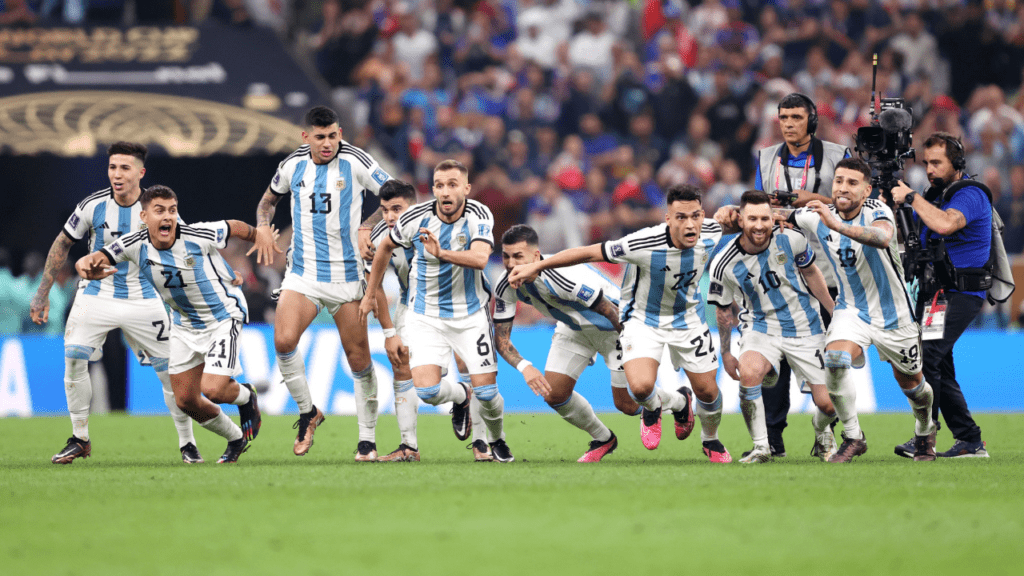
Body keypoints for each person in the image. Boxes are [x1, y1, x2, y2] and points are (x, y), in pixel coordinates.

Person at [509, 184, 730, 463]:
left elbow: (743, 220)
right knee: (635, 390)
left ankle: (706, 435)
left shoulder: (711, 231)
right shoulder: (643, 243)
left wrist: (738, 213)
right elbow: (589, 252)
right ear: (668, 219)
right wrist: (538, 266)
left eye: (695, 216)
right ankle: (624, 425)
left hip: (675, 319)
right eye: (681, 217)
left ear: (703, 215)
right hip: (638, 320)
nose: (690, 224)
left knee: (703, 391)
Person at [31, 142, 202, 464]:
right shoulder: (92, 206)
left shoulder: (158, 205)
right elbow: (63, 242)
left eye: (125, 168)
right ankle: (80, 437)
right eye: (112, 167)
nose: (117, 174)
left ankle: (187, 443)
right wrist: (42, 292)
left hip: (145, 298)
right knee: (74, 358)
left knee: (171, 374)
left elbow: (185, 247)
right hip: (97, 295)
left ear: (141, 172)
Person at [75, 185, 263, 464]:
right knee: (185, 400)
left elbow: (233, 226)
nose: (168, 217)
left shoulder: (196, 235)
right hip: (184, 325)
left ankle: (247, 396)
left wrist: (261, 236)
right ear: (144, 216)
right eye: (159, 210)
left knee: (213, 389)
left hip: (222, 317)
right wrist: (85, 265)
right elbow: (95, 258)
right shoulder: (133, 243)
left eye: (172, 210)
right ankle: (235, 438)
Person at [251, 106, 391, 461]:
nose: (327, 143)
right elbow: (267, 202)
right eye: (320, 137)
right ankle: (307, 412)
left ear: (339, 133)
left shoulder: (357, 161)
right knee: (283, 341)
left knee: (359, 360)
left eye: (332, 136)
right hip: (304, 273)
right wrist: (264, 226)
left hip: (347, 275)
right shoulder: (292, 165)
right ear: (306, 137)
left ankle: (367, 440)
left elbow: (395, 197)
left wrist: (366, 225)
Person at [784, 158, 937, 463]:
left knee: (913, 386)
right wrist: (737, 217)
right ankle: (854, 436)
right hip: (851, 310)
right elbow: (782, 216)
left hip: (894, 316)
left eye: (852, 183)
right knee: (836, 360)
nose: (843, 187)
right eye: (839, 180)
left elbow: (881, 237)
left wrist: (837, 225)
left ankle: (925, 428)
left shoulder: (877, 211)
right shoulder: (817, 215)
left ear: (866, 189)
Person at [360, 160, 514, 462]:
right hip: (424, 313)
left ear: (466, 189)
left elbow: (481, 258)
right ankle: (460, 396)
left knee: (487, 392)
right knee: (428, 391)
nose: (446, 191)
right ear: (432, 190)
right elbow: (384, 249)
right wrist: (368, 296)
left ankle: (493, 439)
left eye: (453, 184)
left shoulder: (479, 214)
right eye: (440, 185)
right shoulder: (412, 219)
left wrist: (441, 253)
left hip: (470, 312)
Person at [492, 224, 656, 463]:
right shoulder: (505, 284)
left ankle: (677, 401)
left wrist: (636, 345)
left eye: (518, 256)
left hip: (613, 327)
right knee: (554, 394)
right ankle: (603, 438)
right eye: (506, 257)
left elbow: (609, 311)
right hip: (572, 327)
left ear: (536, 257)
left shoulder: (559, 275)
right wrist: (525, 366)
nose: (510, 264)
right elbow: (502, 338)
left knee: (628, 405)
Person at [753, 92, 851, 457]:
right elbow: (754, 206)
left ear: (812, 119)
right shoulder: (765, 158)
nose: (789, 124)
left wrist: (815, 200)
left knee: (830, 357)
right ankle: (773, 438)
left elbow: (854, 204)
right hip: (779, 268)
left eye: (796, 117)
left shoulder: (839, 155)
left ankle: (826, 432)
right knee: (774, 359)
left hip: (827, 268)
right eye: (783, 117)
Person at [708, 190, 838, 463]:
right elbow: (722, 310)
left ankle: (822, 430)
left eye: (764, 219)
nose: (759, 225)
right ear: (740, 220)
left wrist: (833, 312)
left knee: (828, 403)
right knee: (749, 374)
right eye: (752, 218)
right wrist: (727, 352)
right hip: (760, 327)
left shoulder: (792, 238)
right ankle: (761, 447)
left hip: (806, 326)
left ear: (773, 218)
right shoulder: (723, 263)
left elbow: (812, 273)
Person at [890, 133, 991, 458]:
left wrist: (911, 199)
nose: (930, 169)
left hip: (963, 291)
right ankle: (970, 440)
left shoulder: (970, 194)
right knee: (939, 365)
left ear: (957, 164)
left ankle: (925, 437)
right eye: (927, 162)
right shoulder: (936, 195)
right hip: (938, 295)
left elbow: (947, 225)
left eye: (937, 162)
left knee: (928, 356)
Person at [364, 179, 422, 462]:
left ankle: (484, 441)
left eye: (396, 209)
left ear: (414, 206)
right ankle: (408, 446)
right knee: (401, 364)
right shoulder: (377, 237)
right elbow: (373, 288)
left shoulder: (436, 224)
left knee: (455, 372)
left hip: (453, 306)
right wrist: (389, 332)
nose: (389, 216)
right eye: (385, 209)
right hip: (408, 304)